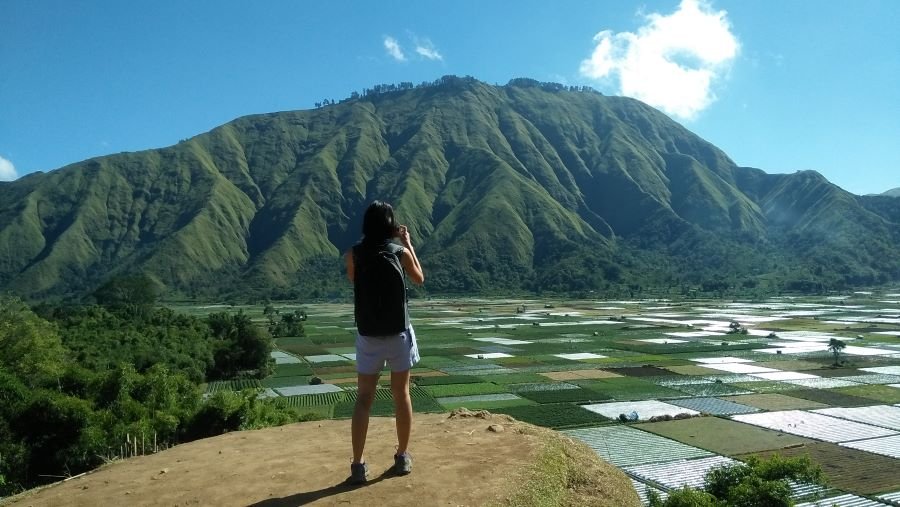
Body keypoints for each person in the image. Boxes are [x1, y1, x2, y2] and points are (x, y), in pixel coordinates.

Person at [344, 200, 424, 485]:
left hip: (368, 335)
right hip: (398, 334)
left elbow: (354, 281)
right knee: (401, 395)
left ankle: (357, 465)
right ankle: (402, 456)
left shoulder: (353, 254)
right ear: (391, 225)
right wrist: (407, 243)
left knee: (364, 398)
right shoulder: (400, 252)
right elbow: (419, 278)